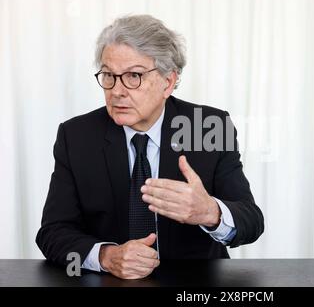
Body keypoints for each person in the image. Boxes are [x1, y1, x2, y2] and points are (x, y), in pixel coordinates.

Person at [36, 14, 264, 280]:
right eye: (109, 75)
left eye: (133, 75)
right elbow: (52, 232)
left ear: (167, 82)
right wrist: (106, 257)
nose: (117, 90)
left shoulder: (208, 127)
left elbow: (251, 222)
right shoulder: (76, 135)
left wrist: (210, 212)